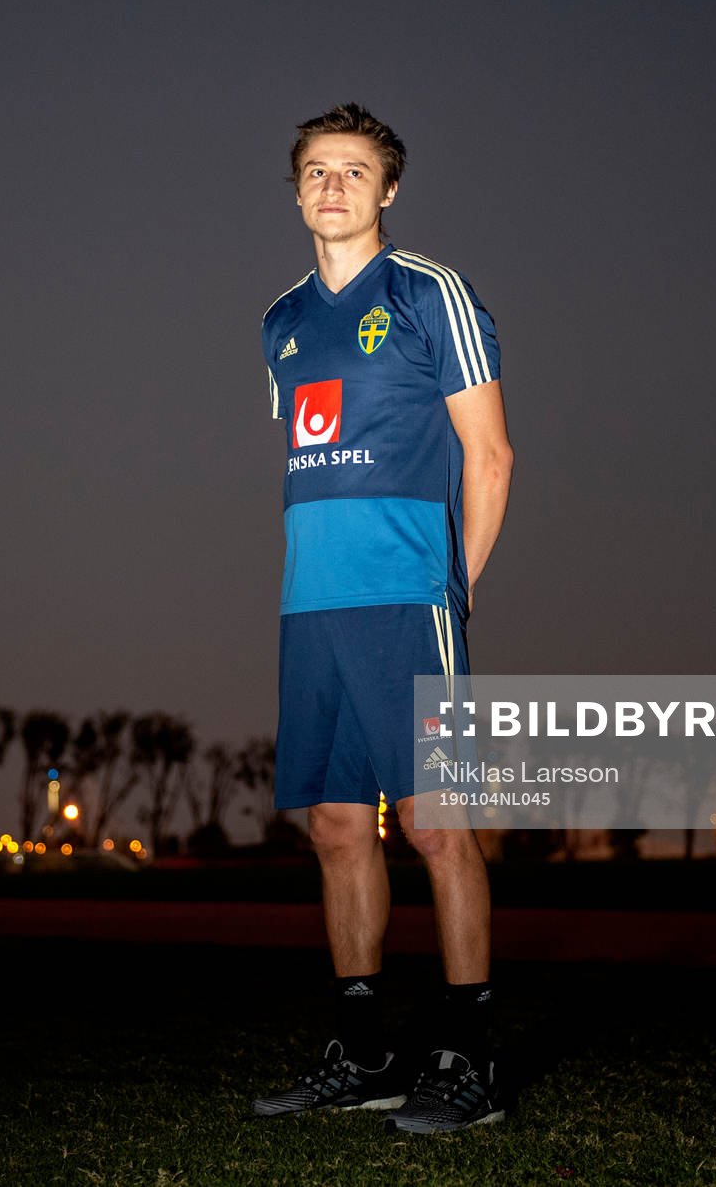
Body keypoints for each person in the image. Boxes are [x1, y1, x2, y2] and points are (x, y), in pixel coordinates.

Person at [250, 104, 514, 1133]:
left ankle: (470, 1060)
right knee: (335, 827)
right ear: (296, 188)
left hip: (408, 597)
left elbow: (489, 455)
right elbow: (309, 458)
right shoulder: (278, 321)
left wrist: (458, 584)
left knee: (438, 826)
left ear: (388, 189)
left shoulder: (429, 294)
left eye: (353, 171)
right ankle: (365, 1058)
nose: (332, 186)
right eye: (316, 171)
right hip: (311, 604)